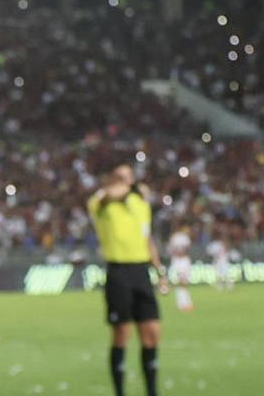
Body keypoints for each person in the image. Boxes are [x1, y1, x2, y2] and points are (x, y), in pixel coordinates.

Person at [88, 164, 165, 396]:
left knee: (152, 330)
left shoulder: (140, 205)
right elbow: (110, 195)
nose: (125, 181)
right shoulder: (100, 202)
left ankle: (152, 391)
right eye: (120, 177)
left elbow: (147, 238)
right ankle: (119, 392)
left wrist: (159, 271)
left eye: (128, 176)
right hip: (118, 271)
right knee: (122, 332)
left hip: (141, 271)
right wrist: (128, 187)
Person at [165, 225, 194, 311]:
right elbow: (187, 248)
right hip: (181, 260)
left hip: (177, 260)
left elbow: (169, 250)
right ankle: (182, 304)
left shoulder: (173, 237)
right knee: (182, 283)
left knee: (182, 283)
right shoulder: (184, 237)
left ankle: (186, 303)